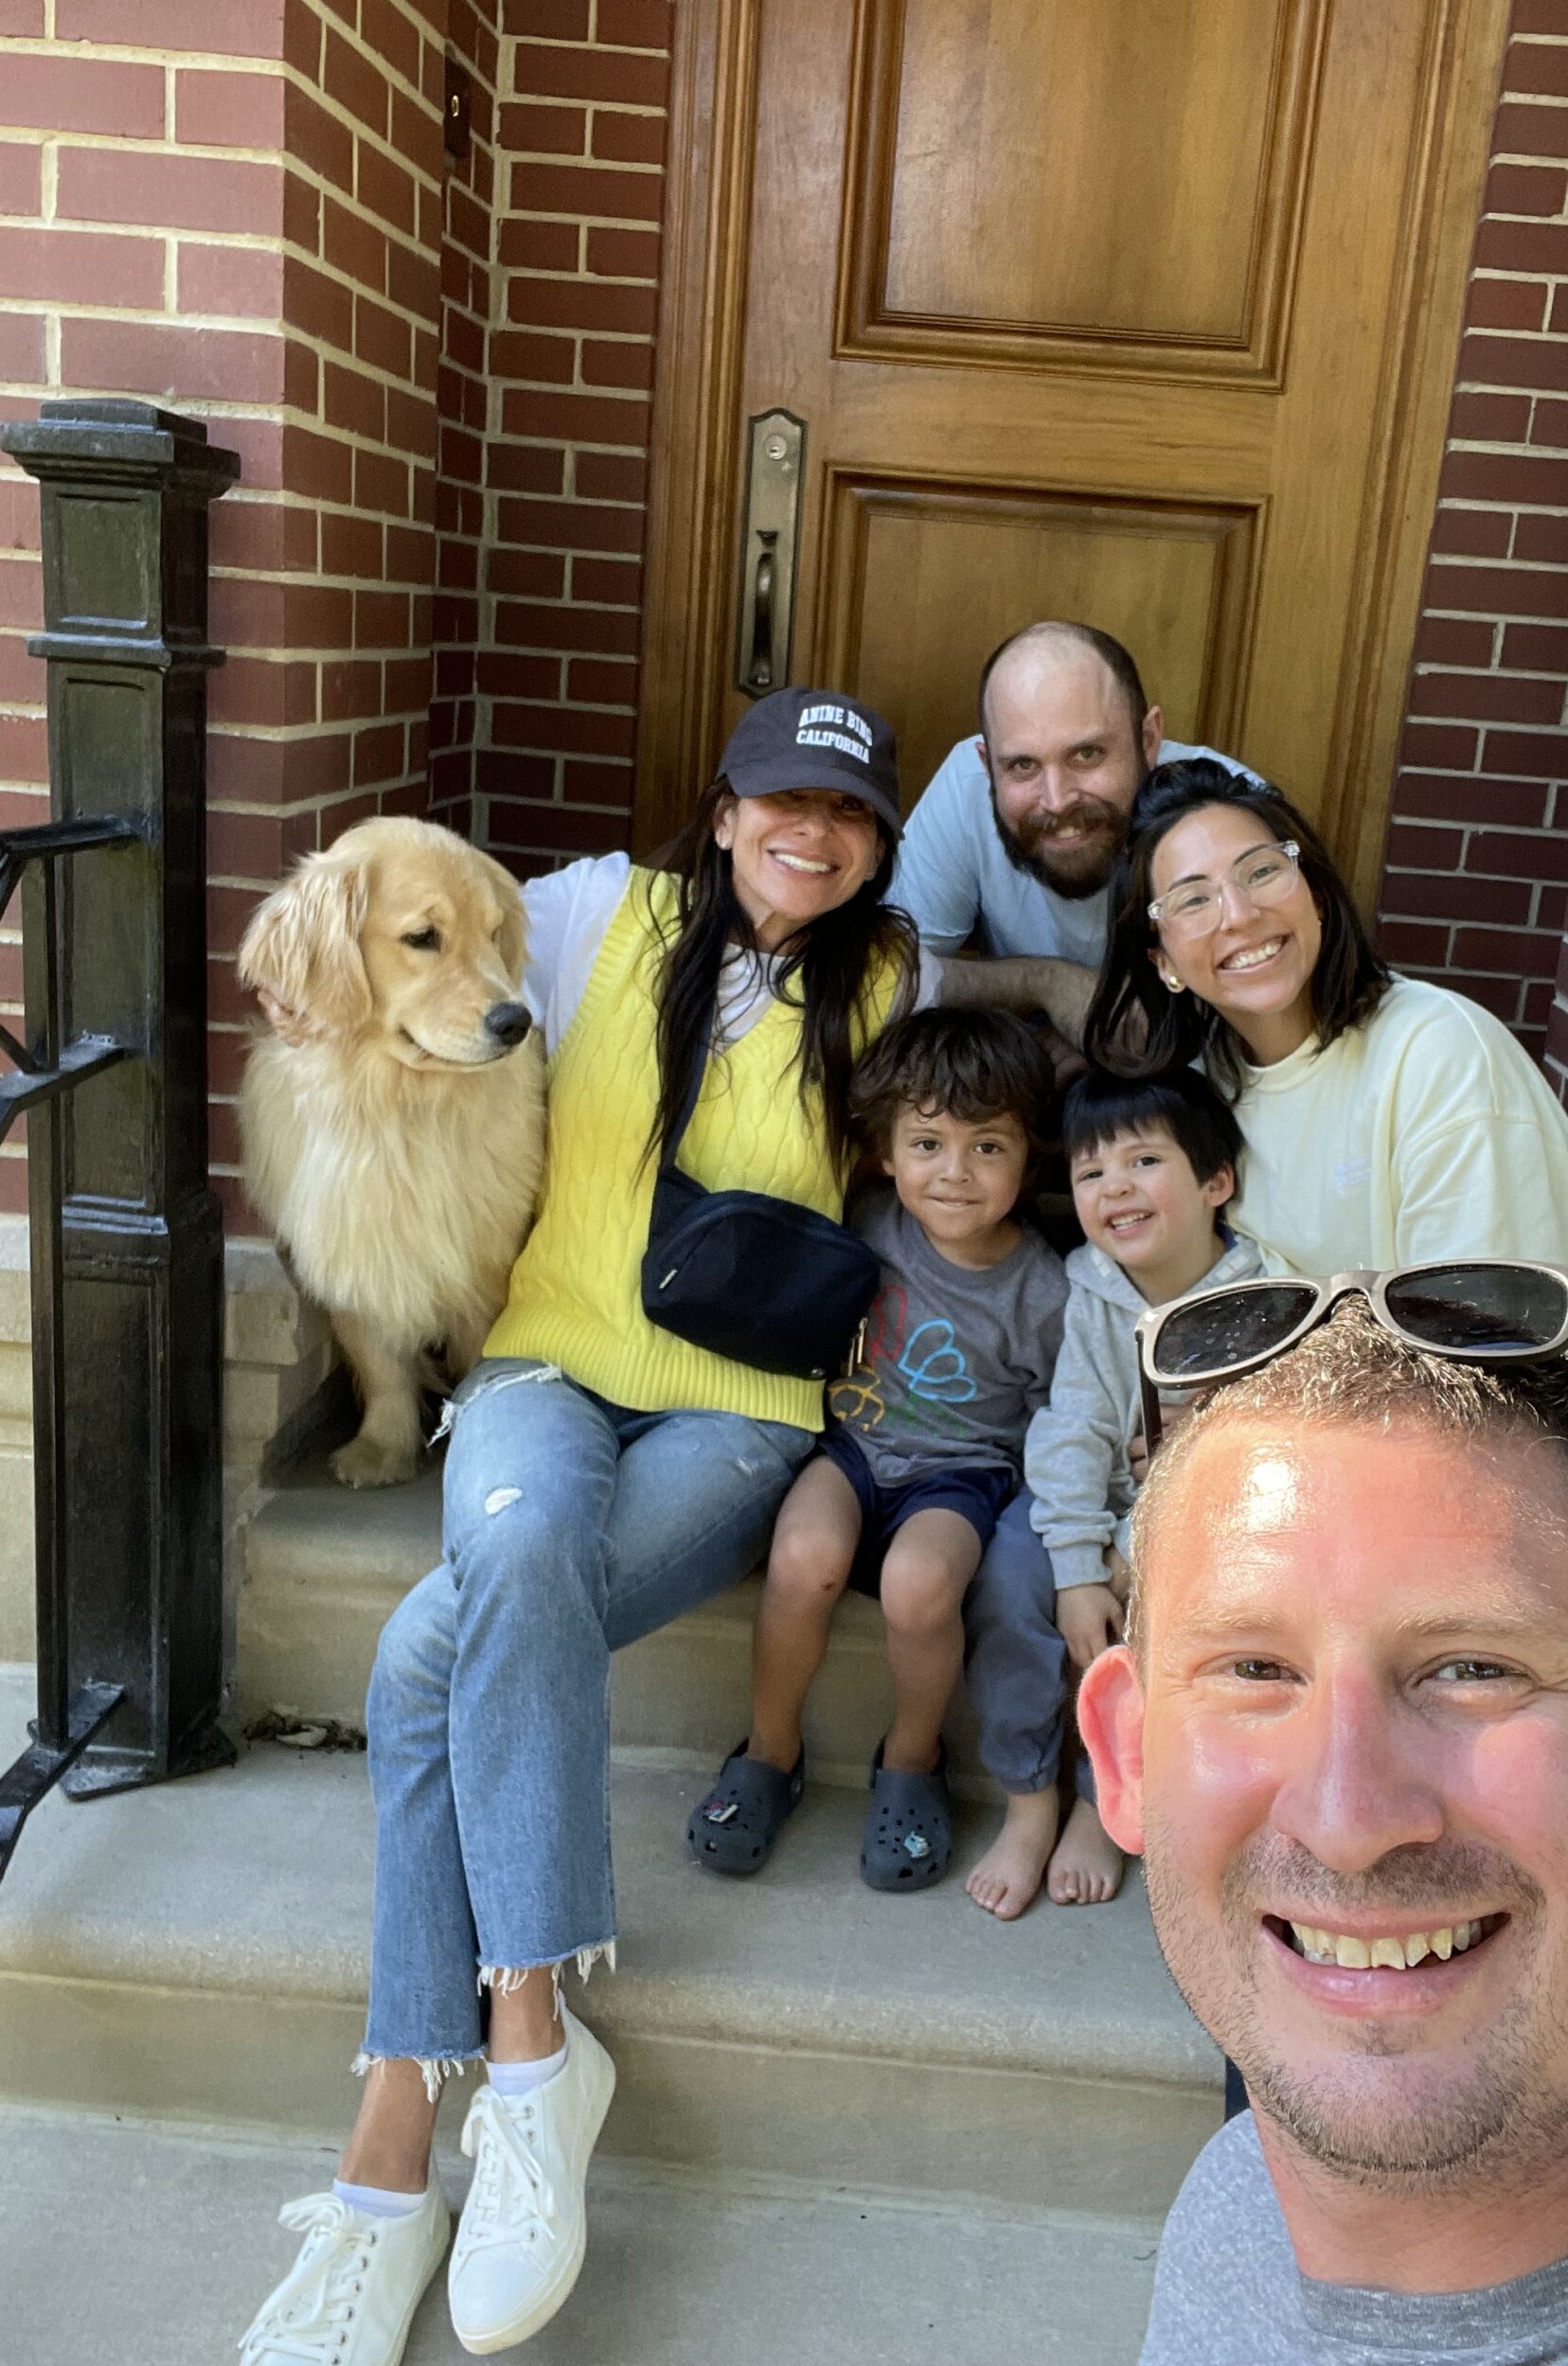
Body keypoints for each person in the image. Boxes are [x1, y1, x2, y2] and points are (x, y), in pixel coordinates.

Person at [239, 688, 925, 2366]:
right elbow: (409, 932)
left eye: (848, 814)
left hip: (738, 1411)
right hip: (542, 1364)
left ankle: (391, 2155)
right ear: (725, 807)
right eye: (783, 799)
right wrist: (301, 971)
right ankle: (532, 2054)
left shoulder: (896, 976)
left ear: (879, 845)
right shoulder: (599, 913)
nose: (812, 834)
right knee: (520, 1547)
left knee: (427, 1651)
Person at [1078, 1289, 1568, 2364]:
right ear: (1130, 1758)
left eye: (1474, 1668)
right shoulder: (1235, 2203)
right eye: (1255, 1669)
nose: (1348, 1821)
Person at [686, 1008, 1067, 1893]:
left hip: (959, 1478)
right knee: (802, 1556)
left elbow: (1057, 1417)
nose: (955, 1173)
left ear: (1028, 1159)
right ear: (888, 1153)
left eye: (987, 1148)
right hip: (854, 1452)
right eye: (928, 1144)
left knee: (919, 1584)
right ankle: (771, 1752)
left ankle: (911, 1759)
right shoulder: (864, 1225)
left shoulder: (1044, 1290)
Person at [1084, 759, 1568, 1381]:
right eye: (1193, 899)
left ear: (1313, 892)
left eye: (1261, 871)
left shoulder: (1438, 1053)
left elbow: (1488, 1359)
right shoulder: (1206, 1091)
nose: (1238, 913)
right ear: (1164, 962)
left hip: (1500, 1423)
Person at [965, 1067, 1267, 1919]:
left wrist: (1127, 1555)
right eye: (1091, 1172)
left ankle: (1106, 1802)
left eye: (1144, 1162)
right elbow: (1074, 1425)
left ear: (1216, 1182)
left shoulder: (1258, 1301)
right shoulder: (1093, 1285)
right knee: (1008, 1580)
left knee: (1162, 1606)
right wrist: (1074, 1566)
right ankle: (1030, 1798)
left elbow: (1230, 1468)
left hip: (1193, 1517)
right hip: (1085, 1500)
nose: (1115, 1188)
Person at [893, 620, 1257, 1041]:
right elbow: (890, 974)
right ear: (987, 765)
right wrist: (1043, 983)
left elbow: (1281, 989)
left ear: (1148, 740)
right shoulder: (966, 788)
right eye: (1023, 765)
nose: (1057, 800)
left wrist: (1112, 1046)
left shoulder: (1230, 809)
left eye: (1086, 754)